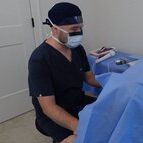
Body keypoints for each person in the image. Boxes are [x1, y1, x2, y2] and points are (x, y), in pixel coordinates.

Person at [28, 2, 101, 143]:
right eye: (74, 28)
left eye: (80, 28)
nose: (79, 33)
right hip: (52, 114)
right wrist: (80, 127)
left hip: (77, 102)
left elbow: (90, 78)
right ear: (55, 28)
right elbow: (49, 108)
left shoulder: (77, 49)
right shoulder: (40, 59)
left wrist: (114, 82)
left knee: (109, 114)